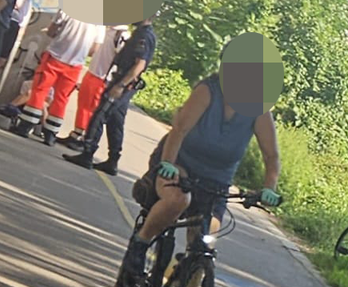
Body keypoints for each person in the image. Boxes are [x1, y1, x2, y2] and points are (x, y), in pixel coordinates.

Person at [113, 43, 283, 285]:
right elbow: (180, 130)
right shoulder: (208, 91)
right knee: (179, 200)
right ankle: (140, 246)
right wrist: (168, 164)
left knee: (206, 242)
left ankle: (186, 273)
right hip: (180, 162)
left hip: (217, 179)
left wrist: (269, 188)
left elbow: (271, 156)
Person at [64, 14, 156, 174]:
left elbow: (139, 65)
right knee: (115, 121)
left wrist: (120, 85)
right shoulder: (142, 33)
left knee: (99, 115)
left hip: (123, 83)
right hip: (124, 83)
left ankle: (87, 152)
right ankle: (112, 160)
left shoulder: (144, 36)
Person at [12, 10, 101, 146]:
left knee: (39, 91)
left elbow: (51, 31)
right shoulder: (99, 21)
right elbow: (94, 50)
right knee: (62, 99)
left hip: (55, 56)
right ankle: (51, 134)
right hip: (75, 65)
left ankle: (25, 126)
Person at [57, 24, 129, 149]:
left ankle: (85, 137)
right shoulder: (107, 30)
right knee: (83, 105)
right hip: (93, 71)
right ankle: (77, 133)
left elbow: (121, 59)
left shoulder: (122, 35)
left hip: (102, 76)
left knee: (90, 108)